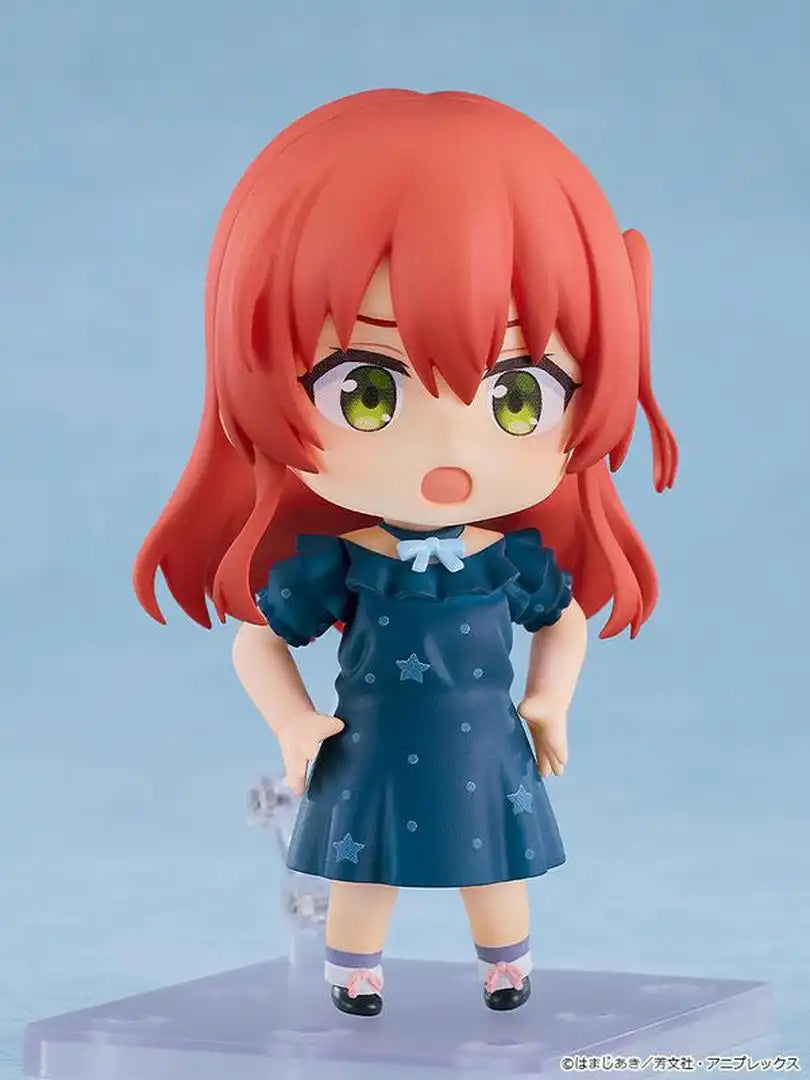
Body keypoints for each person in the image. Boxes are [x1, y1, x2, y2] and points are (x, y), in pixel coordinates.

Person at [134, 89, 678, 1017]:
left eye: (517, 396)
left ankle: (506, 968)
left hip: (486, 743)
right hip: (372, 745)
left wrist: (550, 700)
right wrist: (293, 723)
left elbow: (563, 620)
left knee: (493, 866)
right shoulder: (346, 563)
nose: (451, 451)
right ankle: (355, 975)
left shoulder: (507, 561)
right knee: (364, 868)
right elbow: (258, 638)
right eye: (369, 393)